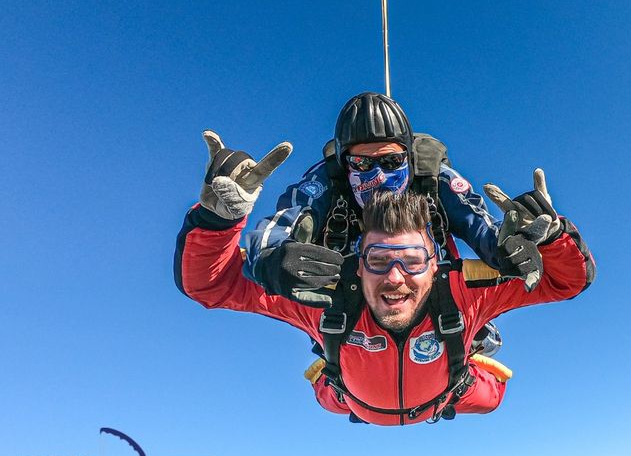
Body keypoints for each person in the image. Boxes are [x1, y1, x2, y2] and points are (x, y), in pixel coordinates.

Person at [175, 145, 595, 425]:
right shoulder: (325, 299)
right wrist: (218, 219)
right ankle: (337, 370)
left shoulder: (463, 291)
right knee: (327, 393)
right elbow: (212, 286)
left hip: (451, 392)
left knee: (490, 397)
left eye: (411, 260)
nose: (395, 277)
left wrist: (552, 236)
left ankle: (476, 347)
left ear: (437, 266)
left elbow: (565, 281)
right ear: (356, 267)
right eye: (377, 260)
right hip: (349, 397)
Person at [239, 92, 544, 309]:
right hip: (353, 304)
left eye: (391, 161)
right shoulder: (324, 183)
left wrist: (510, 248)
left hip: (434, 297)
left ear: (409, 158)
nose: (378, 176)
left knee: (479, 342)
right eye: (361, 163)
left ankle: (473, 341)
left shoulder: (435, 178)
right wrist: (270, 260)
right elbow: (281, 222)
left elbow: (482, 227)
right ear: (345, 164)